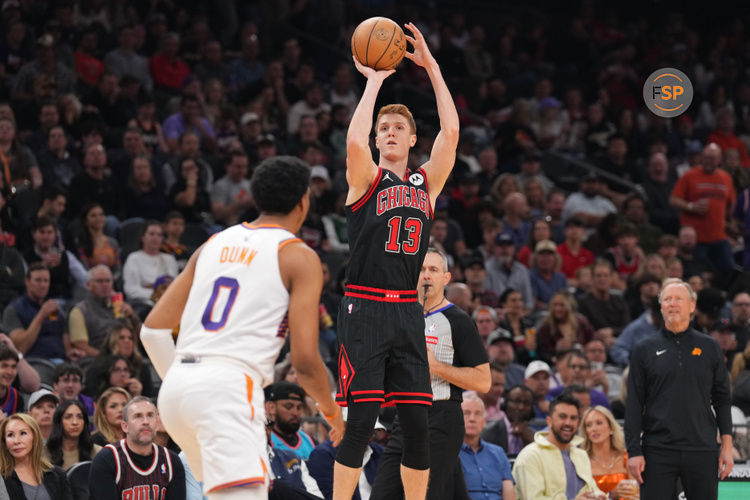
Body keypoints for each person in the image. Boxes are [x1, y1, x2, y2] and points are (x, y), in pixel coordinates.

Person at [141, 156, 344, 500]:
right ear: (303, 201)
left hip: (177, 389)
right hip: (228, 389)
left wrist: (188, 382)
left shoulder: (213, 243)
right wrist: (332, 412)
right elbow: (306, 360)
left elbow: (152, 331)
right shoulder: (298, 255)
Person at [334, 21, 459, 500]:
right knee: (362, 424)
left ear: (411, 141)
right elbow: (352, 141)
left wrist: (432, 67)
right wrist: (374, 83)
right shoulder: (366, 179)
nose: (388, 132)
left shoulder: (424, 186)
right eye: (383, 128)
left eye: (398, 128)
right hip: (364, 306)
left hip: (407, 309)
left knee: (416, 426)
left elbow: (450, 130)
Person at [370, 248, 490, 500]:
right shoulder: (401, 317)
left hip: (442, 415)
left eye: (433, 270)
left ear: (446, 278)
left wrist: (437, 367)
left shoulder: (459, 320)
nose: (426, 275)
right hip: (404, 416)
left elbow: (483, 380)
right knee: (381, 494)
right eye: (421, 270)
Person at [625, 278, 733, 499]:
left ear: (692, 306)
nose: (672, 304)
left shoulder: (710, 346)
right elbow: (634, 403)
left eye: (678, 299)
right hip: (657, 449)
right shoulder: (644, 349)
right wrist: (634, 451)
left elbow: (722, 399)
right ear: (661, 306)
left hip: (702, 448)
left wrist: (727, 446)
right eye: (667, 299)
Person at [89, 396, 185, 499]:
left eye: (150, 415)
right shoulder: (107, 459)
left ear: (156, 424)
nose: (145, 421)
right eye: (138, 416)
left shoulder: (172, 461)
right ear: (125, 426)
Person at [512, 393, 604, 499]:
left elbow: (592, 490)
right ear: (549, 422)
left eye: (573, 418)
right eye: (562, 417)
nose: (568, 423)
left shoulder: (581, 455)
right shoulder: (530, 456)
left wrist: (600, 496)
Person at [670, 143, 736, 287]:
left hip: (719, 236)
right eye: (705, 158)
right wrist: (691, 206)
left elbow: (732, 207)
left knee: (728, 269)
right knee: (697, 275)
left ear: (720, 160)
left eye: (712, 159)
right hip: (696, 240)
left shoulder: (726, 178)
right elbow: (673, 199)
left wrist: (733, 226)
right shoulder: (690, 175)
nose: (707, 162)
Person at [3, 263, 85, 363]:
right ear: (27, 282)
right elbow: (21, 347)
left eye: (46, 281)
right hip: (34, 362)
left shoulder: (53, 307)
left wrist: (69, 351)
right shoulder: (14, 309)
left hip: (62, 361)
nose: (43, 285)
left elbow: (62, 332)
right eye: (38, 280)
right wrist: (41, 316)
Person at [68, 264, 141, 358]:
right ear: (88, 285)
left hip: (128, 359)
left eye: (108, 281)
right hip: (99, 361)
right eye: (100, 281)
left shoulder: (121, 307)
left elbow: (144, 339)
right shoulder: (80, 310)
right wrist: (108, 359)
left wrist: (133, 317)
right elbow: (81, 346)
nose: (105, 285)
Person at [0, 413, 72, 499]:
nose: (16, 441)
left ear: (35, 438)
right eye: (10, 435)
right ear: (4, 441)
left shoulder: (58, 474)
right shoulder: (2, 477)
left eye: (23, 433)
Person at [459, 394, 516, 500]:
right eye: (466, 413)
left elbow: (509, 492)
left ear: (484, 422)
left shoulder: (498, 452)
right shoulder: (451, 454)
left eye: (477, 414)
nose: (472, 419)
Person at [579, 406, 636, 499]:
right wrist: (610, 495)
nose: (594, 429)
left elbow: (636, 492)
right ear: (586, 431)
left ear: (611, 428)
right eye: (589, 425)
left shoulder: (625, 457)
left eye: (599, 423)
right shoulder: (581, 461)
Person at [264, 382, 316, 460]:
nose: (295, 413)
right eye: (288, 406)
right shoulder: (265, 440)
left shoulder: (307, 439)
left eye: (299, 407)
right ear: (271, 407)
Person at [45, 400, 101, 470]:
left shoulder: (98, 452)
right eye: (68, 417)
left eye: (80, 417)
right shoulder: (44, 453)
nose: (75, 422)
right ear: (59, 422)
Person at [52, 363, 95, 428]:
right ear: (55, 385)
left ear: (81, 386)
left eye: (75, 380)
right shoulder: (48, 402)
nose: (70, 385)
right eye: (66, 380)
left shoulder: (89, 404)